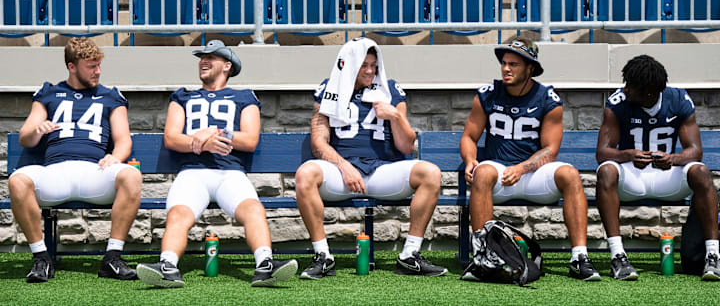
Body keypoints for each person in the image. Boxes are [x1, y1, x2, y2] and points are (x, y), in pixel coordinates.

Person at [136, 40, 297, 288]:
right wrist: (198, 144)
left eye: (211, 57)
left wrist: (214, 132)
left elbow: (250, 139)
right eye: (202, 57)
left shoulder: (244, 97)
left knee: (253, 209)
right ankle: (168, 266)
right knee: (179, 213)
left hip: (229, 173)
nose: (203, 61)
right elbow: (171, 137)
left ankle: (265, 265)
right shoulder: (183, 96)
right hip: (192, 173)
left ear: (227, 65)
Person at [294, 38, 447, 279]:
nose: (369, 71)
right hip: (341, 174)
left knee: (431, 173)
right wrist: (344, 166)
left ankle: (409, 255)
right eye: (363, 65)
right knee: (305, 174)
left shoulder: (390, 90)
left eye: (374, 65)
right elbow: (318, 142)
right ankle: (323, 256)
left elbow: (406, 145)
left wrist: (396, 116)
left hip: (380, 172)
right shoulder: (329, 89)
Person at [459, 37, 600, 281]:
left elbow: (550, 150)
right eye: (504, 63)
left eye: (513, 64)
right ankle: (484, 257)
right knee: (482, 172)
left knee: (570, 174)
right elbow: (469, 136)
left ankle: (579, 257)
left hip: (533, 174)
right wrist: (471, 160)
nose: (506, 69)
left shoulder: (547, 99)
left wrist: (522, 168)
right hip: (499, 172)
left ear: (530, 68)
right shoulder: (488, 95)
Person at [8, 37, 141, 283]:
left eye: (99, 65)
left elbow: (124, 140)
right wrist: (37, 131)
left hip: (95, 171)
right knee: (17, 180)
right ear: (72, 66)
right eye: (91, 66)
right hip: (55, 173)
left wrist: (115, 157)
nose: (98, 71)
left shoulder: (110, 96)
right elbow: (25, 138)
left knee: (131, 175)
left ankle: (112, 257)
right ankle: (41, 259)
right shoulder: (49, 93)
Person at [596, 54, 719, 281]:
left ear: (649, 92)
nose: (625, 89)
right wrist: (628, 154)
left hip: (666, 176)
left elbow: (695, 150)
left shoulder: (678, 100)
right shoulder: (617, 103)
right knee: (606, 170)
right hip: (632, 177)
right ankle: (618, 256)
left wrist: (673, 158)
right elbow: (602, 153)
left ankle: (713, 255)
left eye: (631, 86)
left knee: (701, 171)